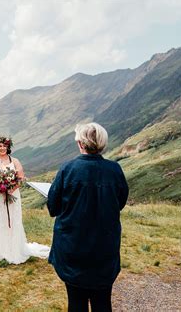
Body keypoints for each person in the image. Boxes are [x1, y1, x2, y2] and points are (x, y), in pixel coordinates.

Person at [47, 123, 129, 312]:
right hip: (105, 247)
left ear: (80, 143)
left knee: (76, 302)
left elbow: (53, 206)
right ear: (102, 143)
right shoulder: (114, 169)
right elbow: (120, 202)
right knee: (103, 302)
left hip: (72, 247)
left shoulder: (68, 169)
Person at [0, 136, 50, 264]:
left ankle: (13, 249)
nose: (2, 148)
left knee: (12, 220)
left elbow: (20, 178)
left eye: (4, 146)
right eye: (0, 146)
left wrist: (11, 189)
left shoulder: (15, 161)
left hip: (13, 195)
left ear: (8, 147)